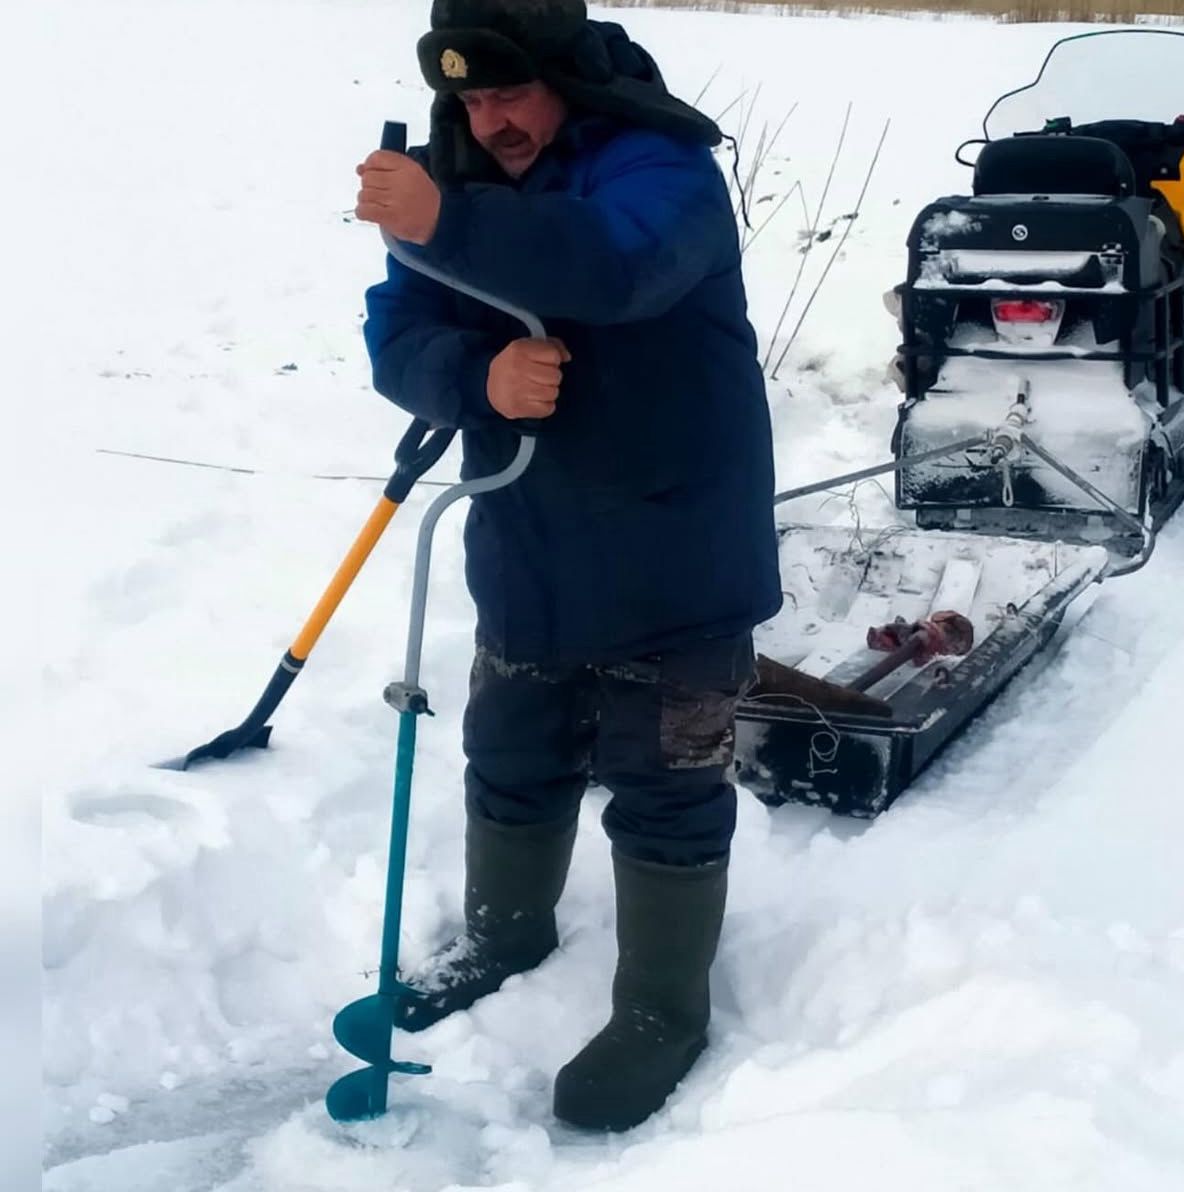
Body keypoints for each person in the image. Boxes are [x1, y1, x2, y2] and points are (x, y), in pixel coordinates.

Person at [353, 0, 781, 1132]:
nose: (490, 122)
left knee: (668, 783)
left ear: (569, 79)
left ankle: (662, 1007)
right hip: (531, 535)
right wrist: (475, 379)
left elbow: (620, 266)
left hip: (677, 546)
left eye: (511, 95)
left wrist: (446, 218)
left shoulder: (662, 162)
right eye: (470, 100)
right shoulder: (454, 169)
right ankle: (505, 936)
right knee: (511, 750)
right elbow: (396, 333)